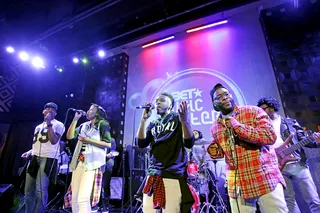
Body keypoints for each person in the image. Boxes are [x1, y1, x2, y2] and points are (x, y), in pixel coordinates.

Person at [207, 83, 288, 213]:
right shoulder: (215, 127)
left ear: (232, 96)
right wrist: (215, 151)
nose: (224, 98)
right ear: (214, 104)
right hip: (238, 184)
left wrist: (238, 126)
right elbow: (224, 151)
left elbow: (270, 136)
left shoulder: (253, 111)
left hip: (264, 178)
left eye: (226, 94)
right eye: (219, 97)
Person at [257, 96, 320, 213]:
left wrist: (316, 141)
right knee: (289, 201)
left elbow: (303, 140)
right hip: (277, 167)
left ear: (271, 107)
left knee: (313, 199)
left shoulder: (290, 122)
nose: (261, 112)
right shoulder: (261, 127)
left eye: (264, 109)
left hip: (296, 163)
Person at [136, 92, 195, 213]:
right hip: (153, 174)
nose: (157, 102)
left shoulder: (177, 118)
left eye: (162, 100)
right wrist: (143, 120)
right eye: (156, 100)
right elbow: (141, 143)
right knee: (148, 211)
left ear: (170, 105)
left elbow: (189, 142)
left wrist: (185, 121)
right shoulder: (153, 124)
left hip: (172, 174)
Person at [65, 103, 112, 213]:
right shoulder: (84, 125)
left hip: (92, 163)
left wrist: (88, 140)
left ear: (97, 113)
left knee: (83, 198)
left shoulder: (102, 124)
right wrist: (75, 119)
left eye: (91, 110)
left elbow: (108, 144)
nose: (88, 111)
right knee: (75, 197)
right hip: (79, 162)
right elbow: (70, 136)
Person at [21, 102, 65, 213]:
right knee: (28, 190)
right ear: (43, 111)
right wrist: (30, 152)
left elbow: (54, 141)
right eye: (47, 109)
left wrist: (49, 123)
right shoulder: (38, 126)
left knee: (40, 190)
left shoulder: (59, 125)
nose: (49, 111)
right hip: (35, 158)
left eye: (52, 110)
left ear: (55, 113)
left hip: (48, 158)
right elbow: (39, 143)